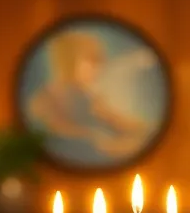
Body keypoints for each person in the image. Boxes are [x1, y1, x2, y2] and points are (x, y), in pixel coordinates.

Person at [26, 30, 150, 163]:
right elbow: (63, 137)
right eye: (92, 61)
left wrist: (140, 130)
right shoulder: (44, 101)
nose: (98, 68)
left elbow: (119, 122)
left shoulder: (89, 96)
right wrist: (107, 142)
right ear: (69, 61)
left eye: (98, 62)